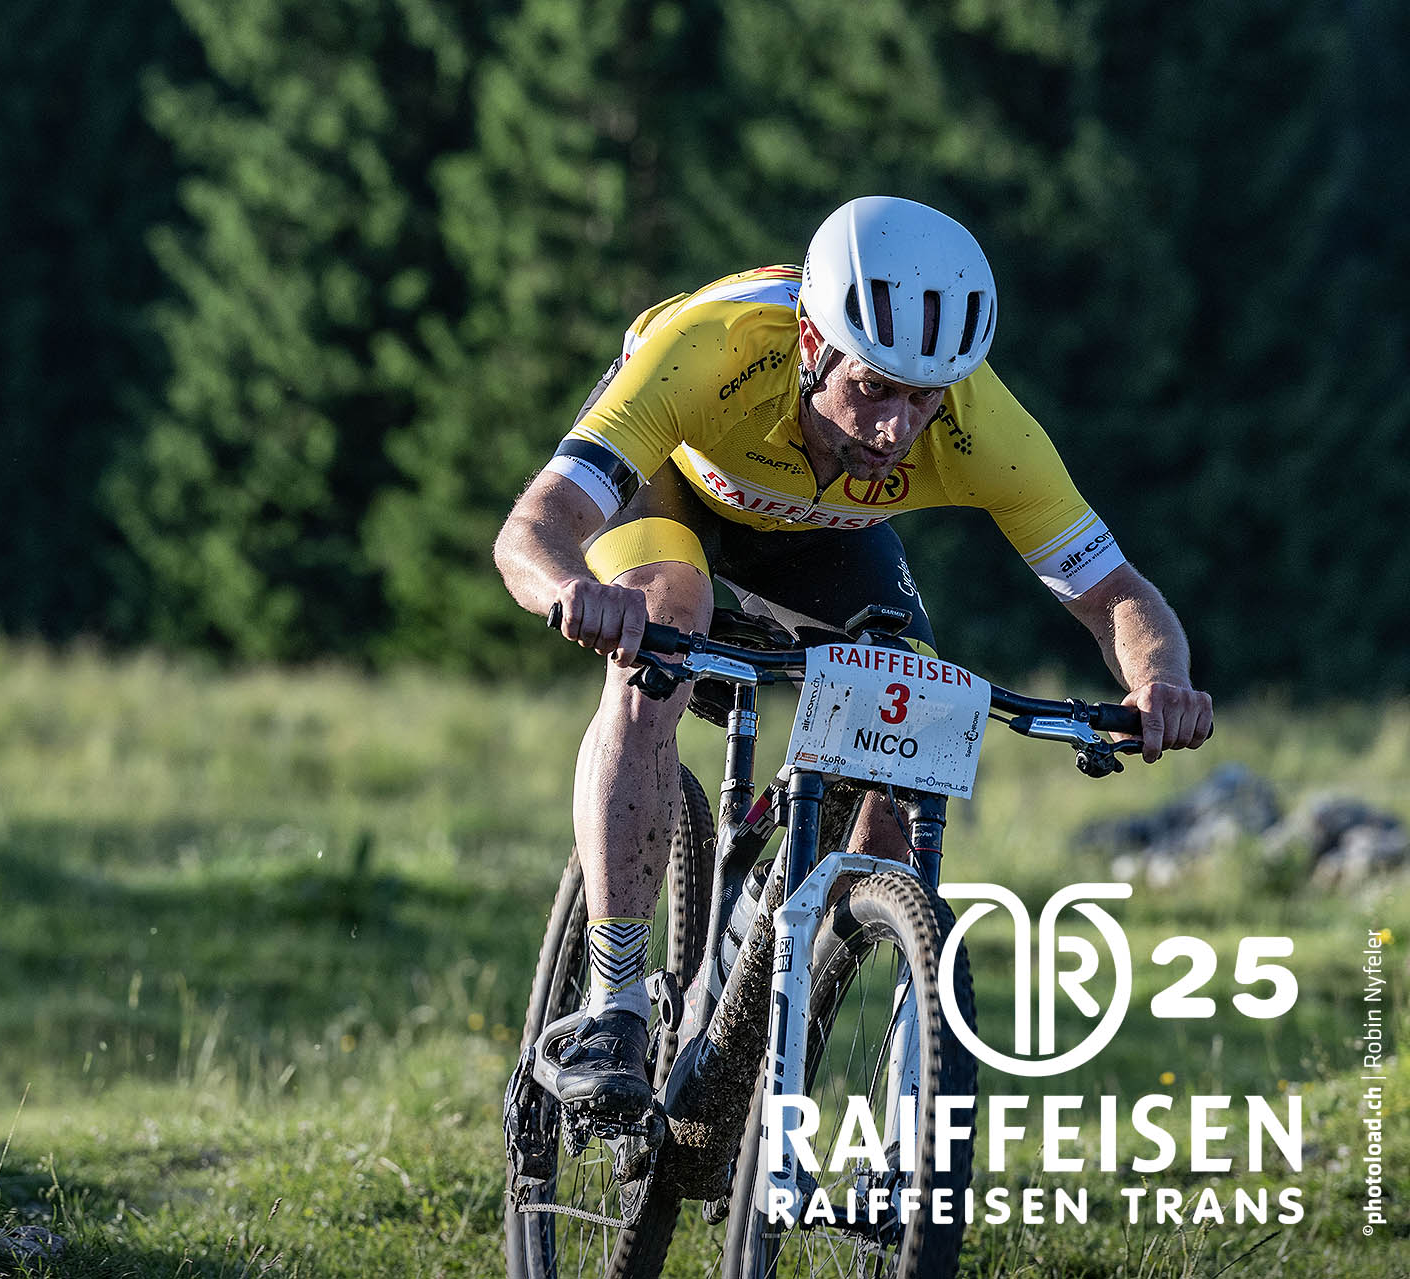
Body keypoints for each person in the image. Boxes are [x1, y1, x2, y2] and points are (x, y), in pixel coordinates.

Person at [492, 195, 1213, 1117]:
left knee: (909, 732)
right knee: (668, 614)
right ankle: (615, 1002)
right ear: (812, 344)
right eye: (874, 388)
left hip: (822, 536)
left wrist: (1160, 680)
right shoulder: (709, 352)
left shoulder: (978, 422)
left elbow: (1115, 594)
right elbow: (533, 527)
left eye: (923, 398)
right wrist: (571, 590)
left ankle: (768, 1002)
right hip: (675, 488)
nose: (895, 430)